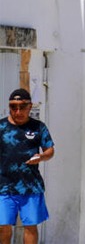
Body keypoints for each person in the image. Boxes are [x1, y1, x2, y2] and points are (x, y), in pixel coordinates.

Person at [0, 89, 55, 244]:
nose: (18, 111)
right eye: (13, 107)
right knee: (3, 227)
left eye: (22, 107)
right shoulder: (1, 127)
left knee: (30, 227)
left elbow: (50, 150)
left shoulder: (39, 127)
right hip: (3, 187)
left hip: (30, 186)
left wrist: (42, 157)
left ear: (30, 106)